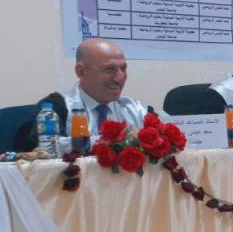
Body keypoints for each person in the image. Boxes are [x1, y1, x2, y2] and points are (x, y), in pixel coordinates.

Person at [14, 38, 149, 152]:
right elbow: (43, 152)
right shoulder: (55, 108)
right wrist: (113, 140)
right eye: (109, 69)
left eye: (123, 68)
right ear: (81, 72)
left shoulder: (134, 109)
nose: (120, 78)